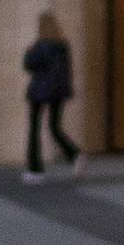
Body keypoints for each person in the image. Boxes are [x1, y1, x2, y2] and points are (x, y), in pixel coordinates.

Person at [20, 11, 79, 177]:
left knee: (34, 130)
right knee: (54, 128)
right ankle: (74, 154)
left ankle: (35, 169)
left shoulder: (39, 46)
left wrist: (28, 51)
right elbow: (67, 71)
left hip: (39, 92)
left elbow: (28, 64)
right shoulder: (63, 46)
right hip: (58, 92)